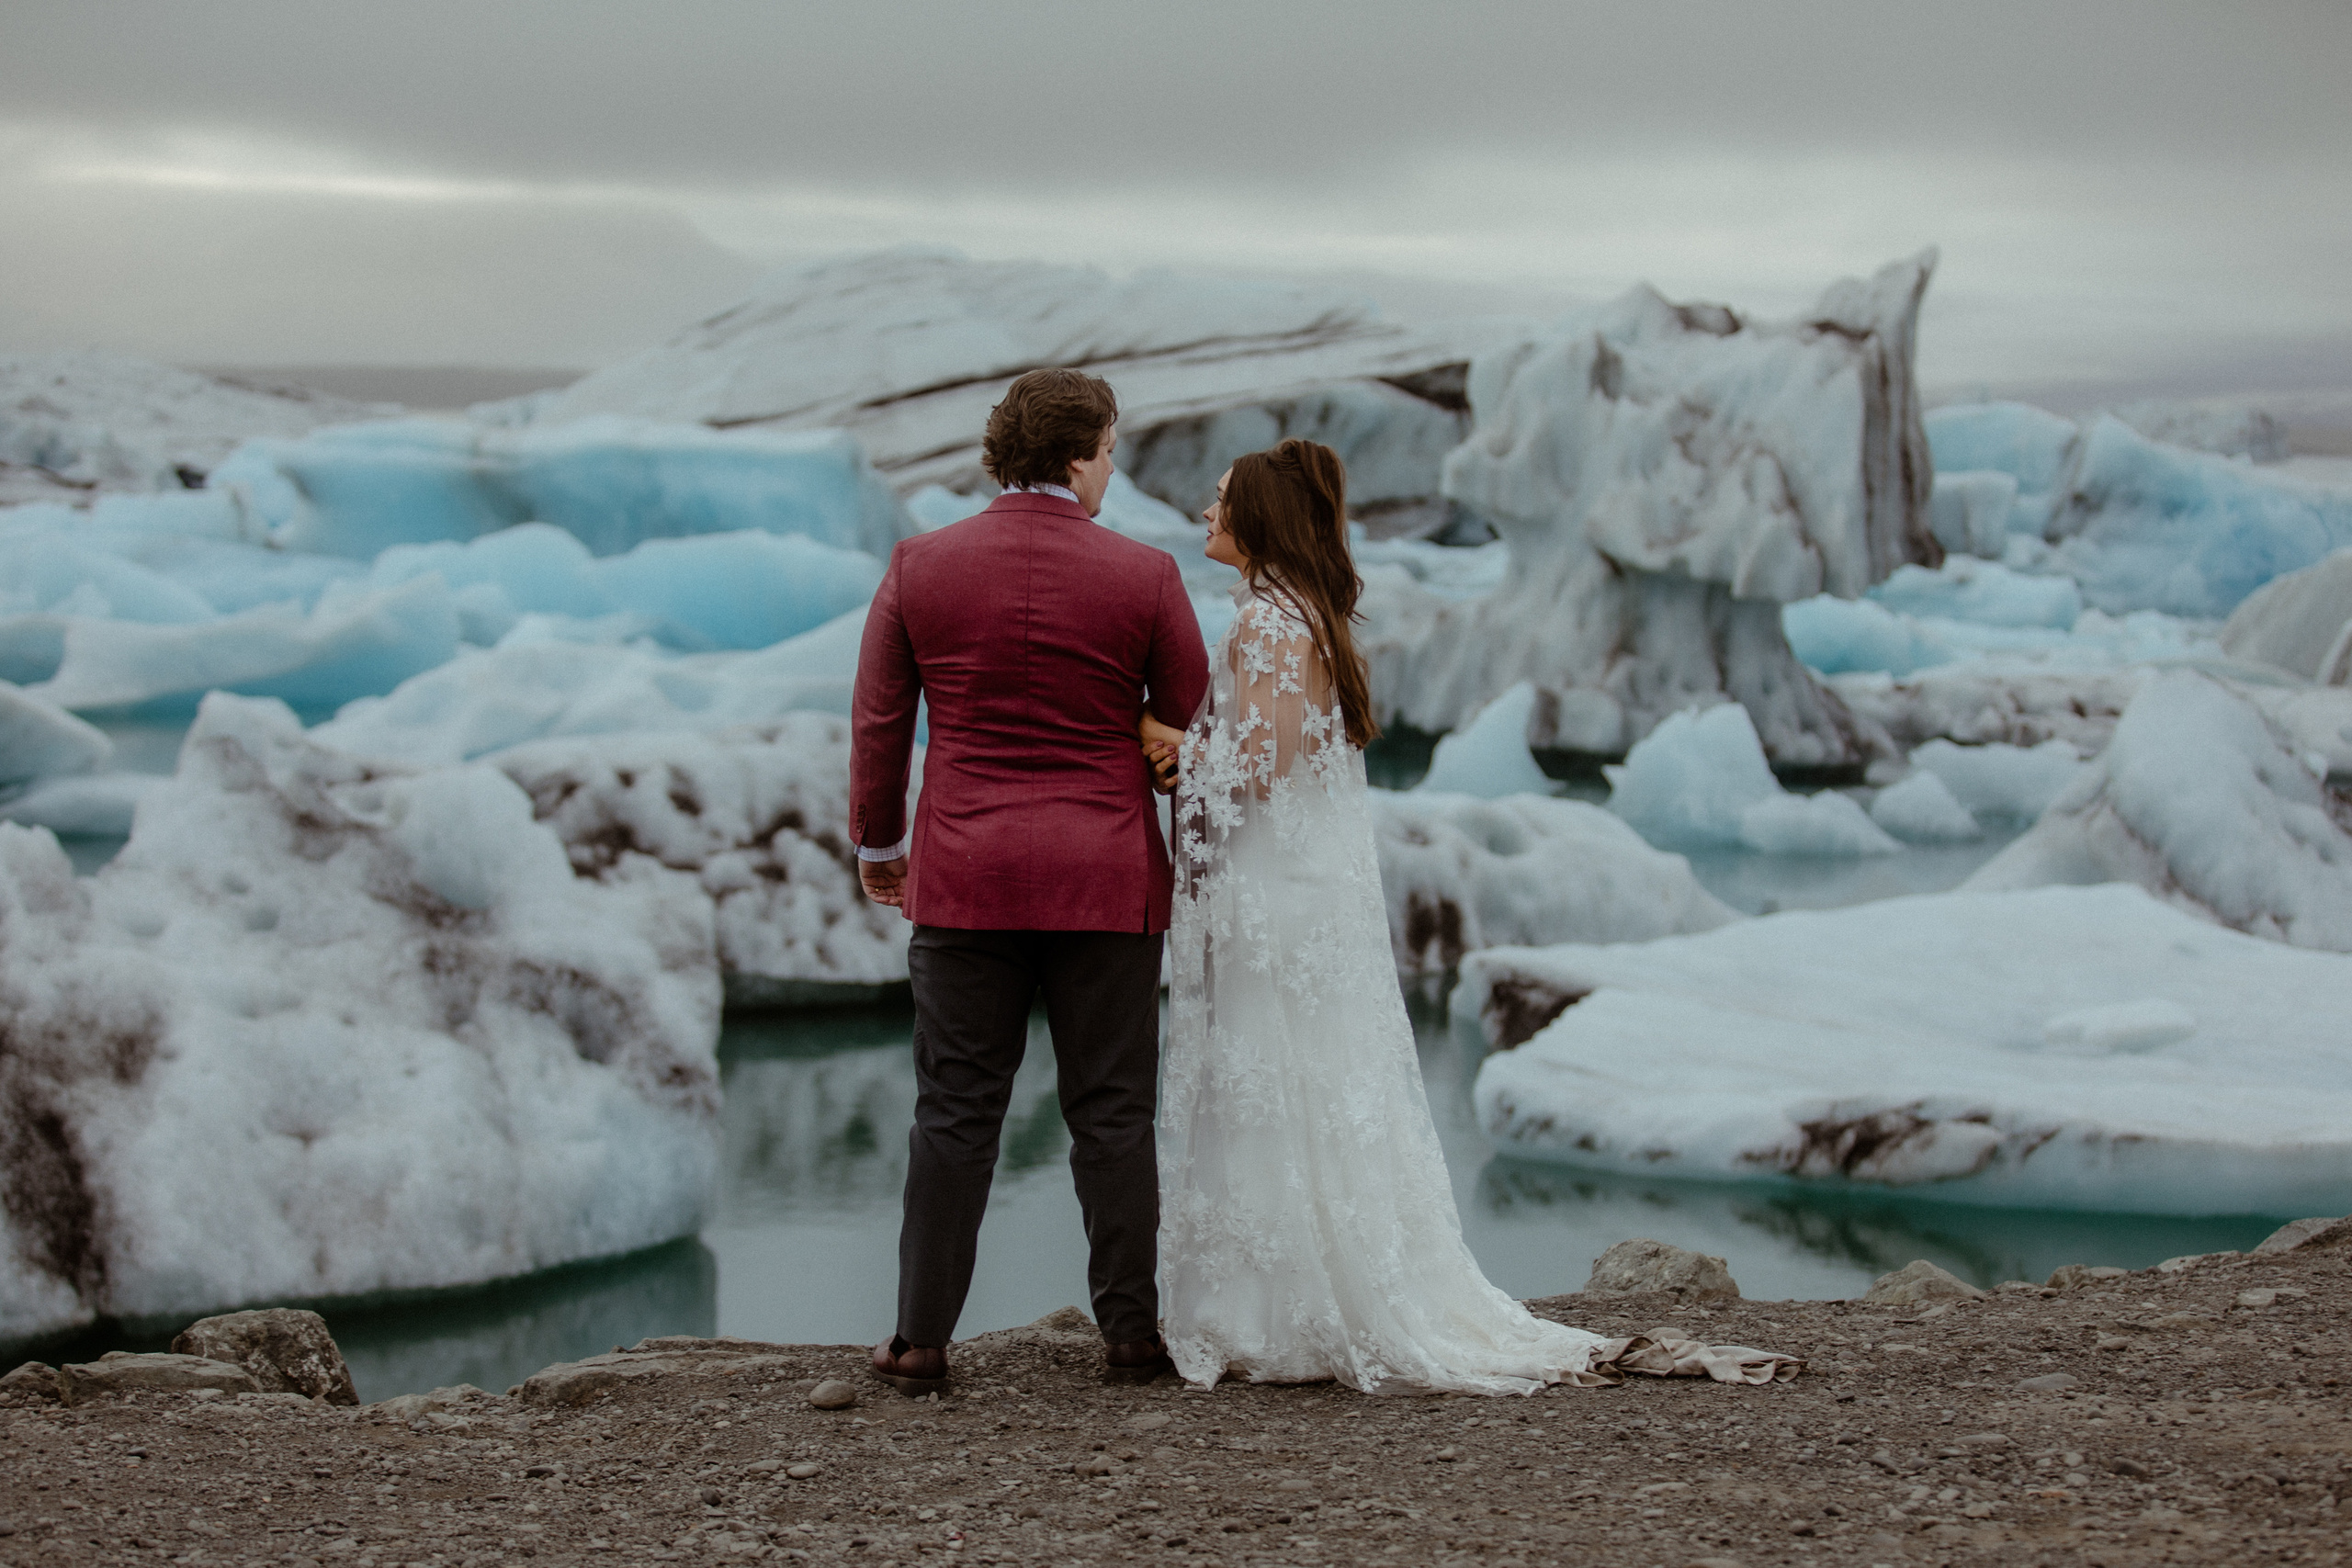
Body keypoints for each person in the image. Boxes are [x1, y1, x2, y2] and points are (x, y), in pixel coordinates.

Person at [1139, 440, 1793, 1393]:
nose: (1206, 512)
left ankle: (1277, 1312)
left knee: (1271, 1078)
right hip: (1301, 891)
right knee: (1310, 1082)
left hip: (1273, 895)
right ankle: (1302, 1292)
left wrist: (1170, 744)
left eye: (1221, 498)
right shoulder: (1307, 614)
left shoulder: (1265, 622)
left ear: (1261, 520)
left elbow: (1265, 766)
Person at [850, 367, 1209, 1395]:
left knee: (955, 1111)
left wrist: (880, 847)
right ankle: (1131, 1336)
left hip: (967, 876)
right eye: (1109, 451)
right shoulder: (1145, 574)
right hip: (1106, 876)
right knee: (1113, 1113)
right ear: (1077, 455)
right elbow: (1189, 707)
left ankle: (920, 1342)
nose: (1111, 470)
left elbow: (881, 722)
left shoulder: (921, 565)